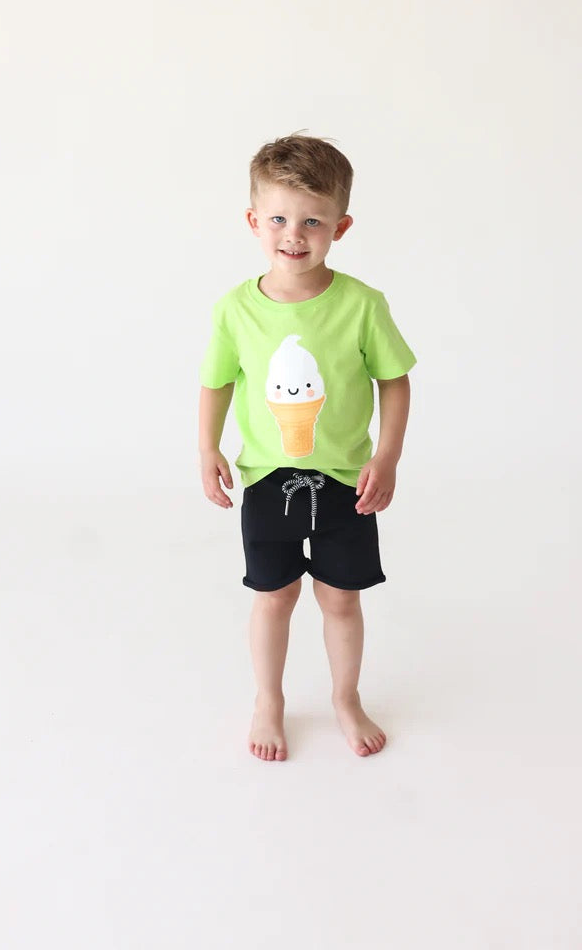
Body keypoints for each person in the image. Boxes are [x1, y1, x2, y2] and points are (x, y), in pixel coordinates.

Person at [199, 133, 416, 761]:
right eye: (278, 219)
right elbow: (216, 382)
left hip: (348, 480)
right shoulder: (234, 310)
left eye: (312, 221)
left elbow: (394, 381)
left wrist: (387, 456)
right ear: (253, 221)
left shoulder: (362, 305)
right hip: (269, 479)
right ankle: (269, 701)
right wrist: (208, 448)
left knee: (341, 598)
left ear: (340, 227)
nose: (293, 235)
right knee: (274, 596)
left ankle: (346, 698)